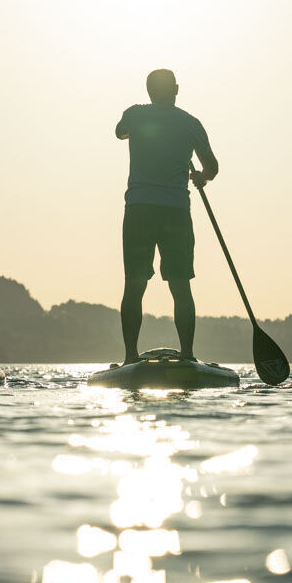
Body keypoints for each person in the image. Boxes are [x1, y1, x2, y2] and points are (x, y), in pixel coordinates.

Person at [115, 68, 219, 363]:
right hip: (175, 211)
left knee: (134, 284)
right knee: (180, 285)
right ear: (175, 89)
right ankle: (187, 355)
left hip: (139, 210)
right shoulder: (191, 123)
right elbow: (211, 166)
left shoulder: (134, 114)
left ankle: (130, 357)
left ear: (149, 92)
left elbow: (119, 131)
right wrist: (201, 177)